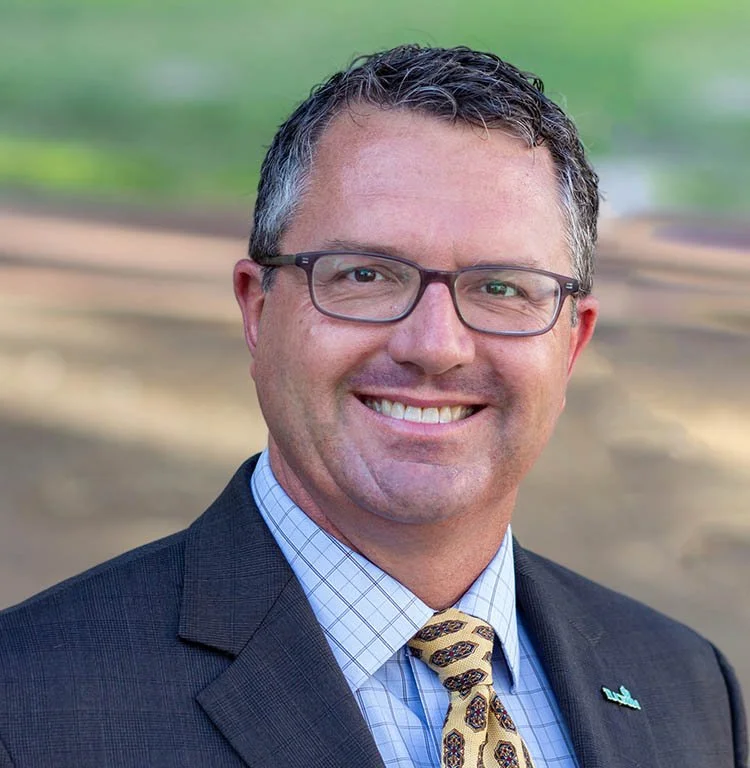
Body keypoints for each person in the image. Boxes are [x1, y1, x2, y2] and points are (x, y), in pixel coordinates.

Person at [0, 44, 746, 768]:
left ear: (571, 344)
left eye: (501, 287)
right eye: (366, 274)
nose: (437, 345)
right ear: (258, 311)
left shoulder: (688, 687)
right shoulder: (30, 706)